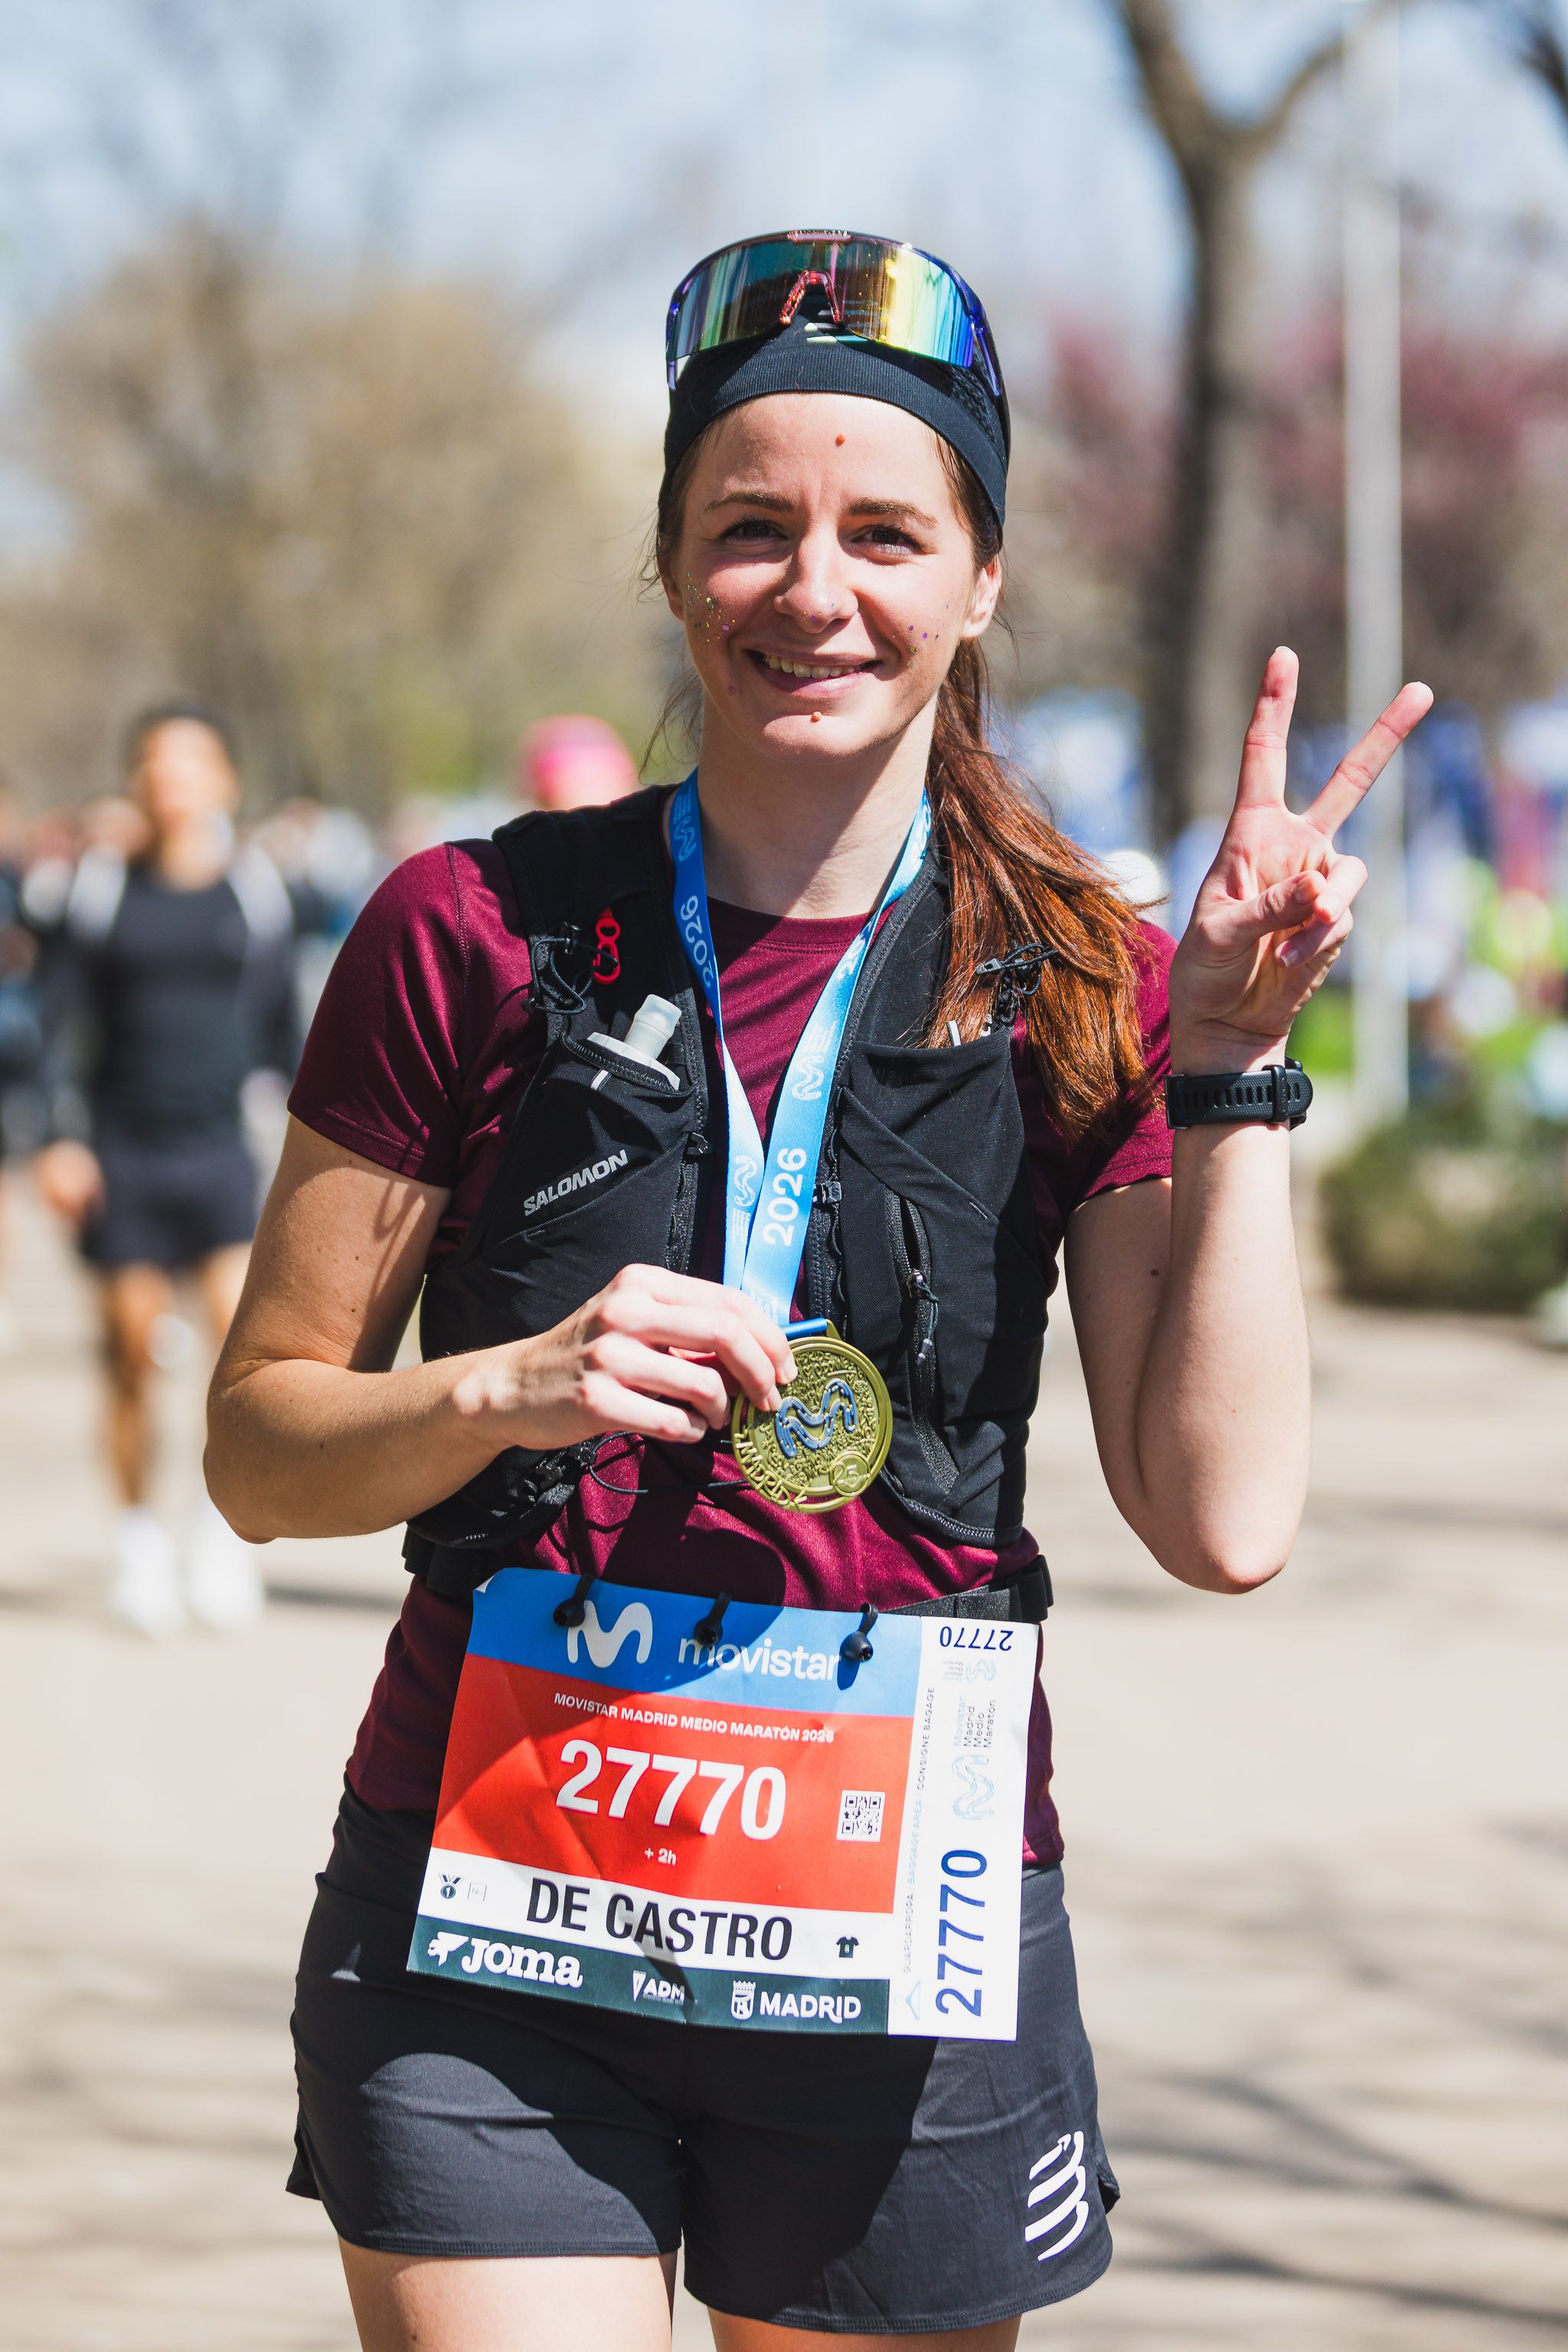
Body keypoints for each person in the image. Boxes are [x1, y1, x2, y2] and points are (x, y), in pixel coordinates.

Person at [206, 231, 1430, 2350]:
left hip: (901, 1926)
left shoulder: (1090, 990)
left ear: (981, 582)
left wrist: (1228, 1065)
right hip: (494, 1899)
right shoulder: (471, 931)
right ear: (673, 569)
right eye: (750, 528)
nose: (816, 589)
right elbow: (259, 1448)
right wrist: (515, 1388)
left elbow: (1222, 1519)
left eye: (887, 529)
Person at [37, 701, 296, 1636]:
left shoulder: (256, 891)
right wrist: (55, 1138)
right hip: (121, 1151)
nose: (171, 779)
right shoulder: (100, 891)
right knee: (135, 1350)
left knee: (240, 1352)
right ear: (136, 781)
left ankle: (217, 1539)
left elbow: (285, 1035)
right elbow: (54, 1025)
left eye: (191, 762)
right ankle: (139, 1541)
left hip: (221, 1148)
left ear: (223, 781)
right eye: (154, 763)